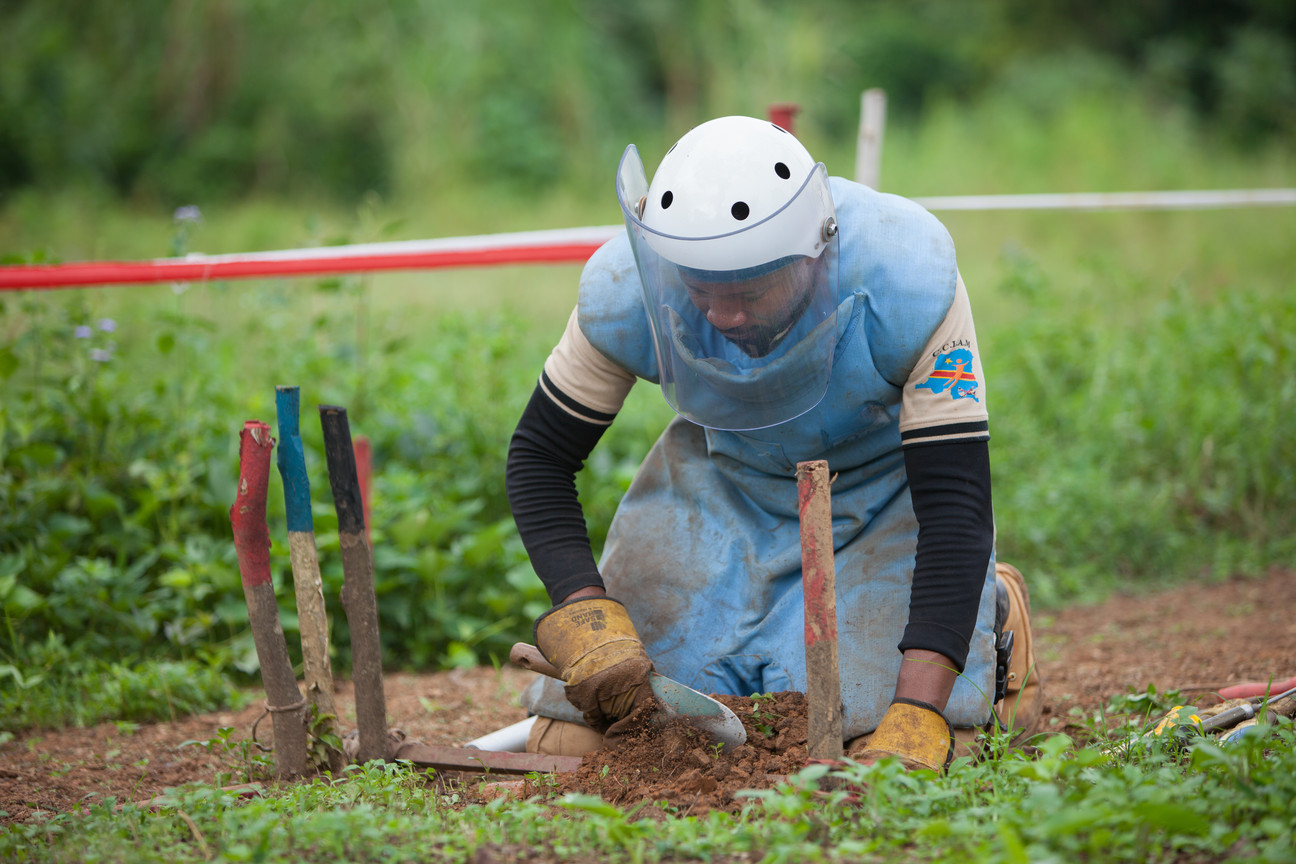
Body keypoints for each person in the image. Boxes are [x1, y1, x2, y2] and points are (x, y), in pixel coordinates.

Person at [505, 115, 1042, 771]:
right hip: (720, 491)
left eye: (751, 292)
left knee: (890, 750)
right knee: (585, 740)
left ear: (814, 256)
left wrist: (920, 708)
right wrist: (588, 616)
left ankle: (994, 613)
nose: (725, 316)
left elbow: (956, 501)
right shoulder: (627, 289)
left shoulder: (907, 281)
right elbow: (540, 457)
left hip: (876, 502)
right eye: (702, 292)